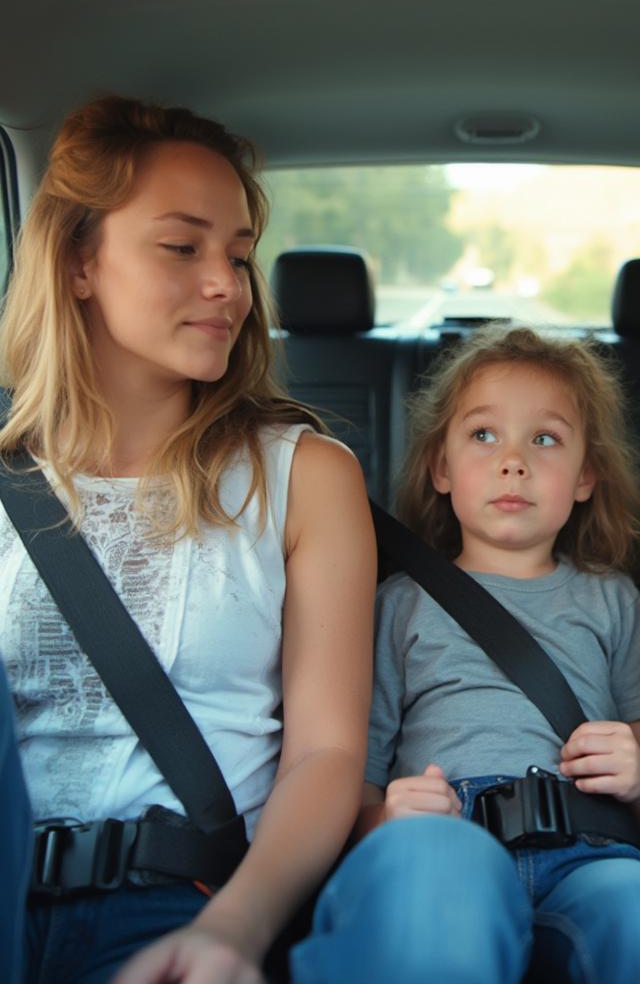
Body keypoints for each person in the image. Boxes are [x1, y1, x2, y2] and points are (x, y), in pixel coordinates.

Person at [0, 96, 375, 983]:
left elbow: (326, 752)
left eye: (240, 255)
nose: (229, 285)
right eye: (183, 247)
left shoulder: (305, 476)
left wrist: (237, 929)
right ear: (79, 261)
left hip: (183, 900)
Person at [289, 325, 640, 984]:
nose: (513, 461)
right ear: (440, 467)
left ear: (585, 477)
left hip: (589, 849)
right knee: (437, 916)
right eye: (484, 435)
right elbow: (353, 775)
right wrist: (384, 820)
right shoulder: (399, 603)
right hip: (445, 836)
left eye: (544, 439)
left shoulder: (613, 601)